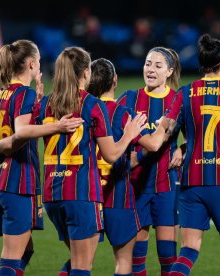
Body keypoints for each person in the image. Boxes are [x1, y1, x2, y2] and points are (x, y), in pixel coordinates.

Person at [37, 47, 148, 276]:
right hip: (80, 194)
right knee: (82, 266)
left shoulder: (47, 102)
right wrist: (129, 133)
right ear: (86, 72)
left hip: (51, 195)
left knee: (76, 260)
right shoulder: (91, 104)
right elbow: (111, 154)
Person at [0, 39, 73, 276]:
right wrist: (58, 127)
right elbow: (22, 131)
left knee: (24, 251)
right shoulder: (23, 93)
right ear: (32, 64)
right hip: (17, 181)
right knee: (13, 255)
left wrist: (35, 102)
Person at [164, 33, 220, 276]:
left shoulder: (184, 93)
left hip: (192, 180)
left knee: (188, 251)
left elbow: (169, 129)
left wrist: (182, 145)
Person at [87, 58, 169, 276]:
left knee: (80, 261)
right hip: (117, 197)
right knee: (124, 261)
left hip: (85, 195)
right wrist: (164, 125)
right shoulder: (122, 113)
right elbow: (152, 144)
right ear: (115, 80)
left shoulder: (82, 111)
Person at [116, 46, 182, 276]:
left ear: (169, 71)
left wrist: (183, 149)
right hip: (136, 186)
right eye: (147, 63)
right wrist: (127, 156)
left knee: (168, 257)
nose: (150, 70)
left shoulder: (178, 100)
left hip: (167, 185)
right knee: (137, 259)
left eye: (157, 65)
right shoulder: (129, 98)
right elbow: (113, 135)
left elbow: (199, 135)